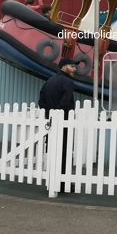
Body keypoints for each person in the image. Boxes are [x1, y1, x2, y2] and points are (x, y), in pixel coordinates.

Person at [39, 57, 76, 193]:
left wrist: (50, 112)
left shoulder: (49, 81)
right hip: (64, 123)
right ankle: (63, 184)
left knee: (53, 152)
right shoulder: (68, 82)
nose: (75, 69)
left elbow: (41, 100)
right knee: (65, 153)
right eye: (72, 66)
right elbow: (66, 101)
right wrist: (59, 112)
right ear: (63, 67)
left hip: (52, 123)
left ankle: (53, 180)